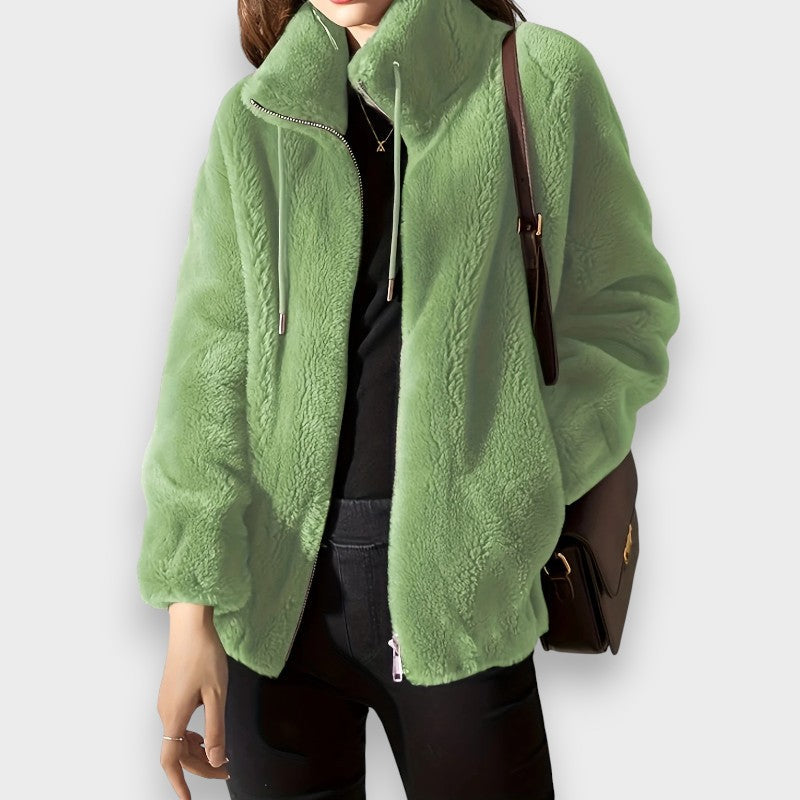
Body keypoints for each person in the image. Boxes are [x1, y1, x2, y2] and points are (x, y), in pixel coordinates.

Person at [136, 1, 680, 798]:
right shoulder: (256, 121)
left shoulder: (540, 79)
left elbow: (625, 314)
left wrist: (511, 488)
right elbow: (207, 374)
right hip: (276, 610)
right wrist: (191, 610)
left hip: (459, 596)